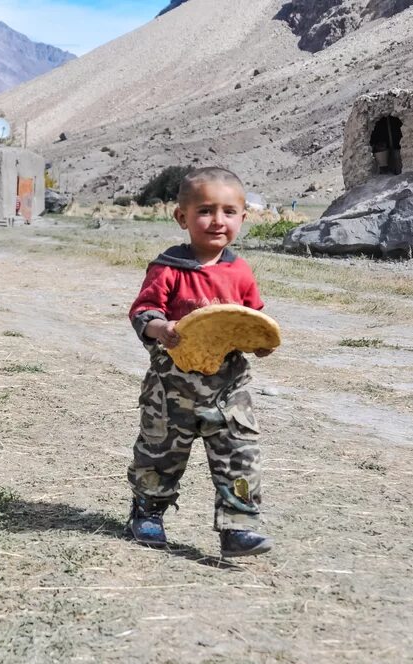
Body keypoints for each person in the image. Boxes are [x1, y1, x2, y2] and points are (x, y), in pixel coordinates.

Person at [126, 166, 274, 558]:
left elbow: (251, 320)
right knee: (161, 454)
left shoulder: (240, 271)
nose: (217, 221)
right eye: (205, 211)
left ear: (243, 217)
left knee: (238, 454)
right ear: (182, 217)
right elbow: (143, 312)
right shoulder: (168, 268)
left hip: (228, 388)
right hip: (172, 387)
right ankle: (148, 513)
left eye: (229, 212)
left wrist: (261, 343)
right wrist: (162, 327)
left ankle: (239, 527)